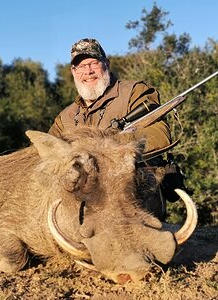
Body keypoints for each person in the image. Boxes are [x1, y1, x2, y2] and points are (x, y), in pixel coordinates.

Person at [49, 38, 175, 221]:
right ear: (73, 72)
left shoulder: (134, 92)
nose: (88, 71)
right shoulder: (64, 117)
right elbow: (46, 154)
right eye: (81, 66)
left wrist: (108, 150)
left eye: (93, 63)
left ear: (106, 64)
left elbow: (161, 134)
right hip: (83, 202)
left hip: (133, 194)